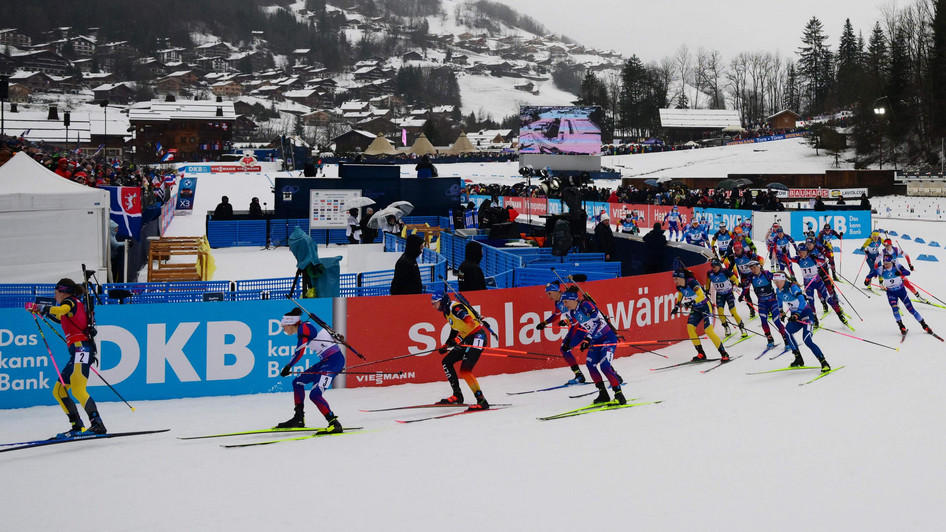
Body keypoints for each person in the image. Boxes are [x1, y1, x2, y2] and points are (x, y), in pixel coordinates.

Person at [25, 279, 106, 438]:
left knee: (78, 388)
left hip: (81, 348)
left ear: (63, 291)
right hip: (77, 350)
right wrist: (41, 312)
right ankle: (77, 426)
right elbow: (60, 317)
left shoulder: (71, 302)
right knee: (59, 390)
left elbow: (61, 311)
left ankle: (97, 424)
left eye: (56, 293)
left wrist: (38, 307)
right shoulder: (70, 305)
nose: (54, 296)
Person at [273, 308, 344, 433]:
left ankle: (334, 423)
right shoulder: (304, 327)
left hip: (334, 361)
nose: (283, 329)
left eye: (284, 327)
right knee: (297, 382)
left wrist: (288, 366)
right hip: (326, 361)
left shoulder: (304, 328)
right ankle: (299, 418)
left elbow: (300, 351)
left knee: (315, 394)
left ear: (290, 324)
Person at [560, 287, 626, 404]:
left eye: (566, 302)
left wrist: (587, 339)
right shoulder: (573, 312)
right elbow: (578, 327)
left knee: (605, 366)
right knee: (590, 365)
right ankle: (603, 394)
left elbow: (598, 322)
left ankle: (619, 395)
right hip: (595, 341)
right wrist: (569, 343)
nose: (564, 305)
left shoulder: (585, 305)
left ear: (573, 299)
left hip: (607, 338)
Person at [431, 291, 490, 409]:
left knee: (465, 371)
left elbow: (470, 322)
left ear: (442, 301)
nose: (433, 306)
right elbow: (454, 329)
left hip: (477, 336)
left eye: (435, 303)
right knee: (446, 362)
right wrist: (446, 344)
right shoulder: (446, 312)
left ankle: (482, 401)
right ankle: (457, 395)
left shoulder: (455, 308)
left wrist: (458, 340)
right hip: (468, 338)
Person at [773, 272, 831, 371]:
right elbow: (779, 300)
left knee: (807, 340)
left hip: (806, 315)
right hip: (796, 317)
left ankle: (824, 362)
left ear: (783, 280)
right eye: (774, 282)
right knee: (787, 332)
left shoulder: (793, 287)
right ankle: (798, 358)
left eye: (777, 282)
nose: (776, 284)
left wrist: (797, 314)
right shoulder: (779, 290)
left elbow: (802, 301)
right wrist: (781, 312)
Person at [671, 268, 731, 362]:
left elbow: (701, 296)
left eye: (675, 279)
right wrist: (676, 307)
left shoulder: (692, 282)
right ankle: (701, 353)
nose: (674, 281)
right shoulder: (679, 287)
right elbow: (680, 295)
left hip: (706, 307)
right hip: (696, 309)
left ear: (681, 277)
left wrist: (691, 302)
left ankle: (724, 353)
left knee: (708, 330)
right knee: (690, 327)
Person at [535, 281, 586, 385]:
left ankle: (612, 375)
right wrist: (545, 323)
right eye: (547, 294)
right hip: (576, 327)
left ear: (556, 291)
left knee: (595, 348)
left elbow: (576, 316)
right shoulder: (558, 302)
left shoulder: (566, 299)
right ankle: (579, 375)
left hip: (581, 327)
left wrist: (567, 322)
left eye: (549, 294)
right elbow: (557, 314)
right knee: (565, 349)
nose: (549, 297)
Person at [788, 244, 847, 327]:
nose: (799, 253)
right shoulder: (798, 259)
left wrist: (816, 258)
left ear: (806, 251)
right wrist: (785, 252)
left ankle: (840, 315)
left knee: (828, 299)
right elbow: (788, 259)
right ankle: (815, 320)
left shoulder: (812, 257)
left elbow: (823, 261)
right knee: (811, 302)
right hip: (808, 284)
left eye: (801, 252)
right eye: (798, 252)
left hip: (818, 282)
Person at [878, 254, 936, 337]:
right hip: (891, 290)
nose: (885, 265)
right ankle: (901, 326)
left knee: (911, 309)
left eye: (887, 263)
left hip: (900, 284)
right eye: (884, 263)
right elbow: (875, 268)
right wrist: (868, 279)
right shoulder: (883, 260)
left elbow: (907, 271)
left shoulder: (895, 256)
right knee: (895, 308)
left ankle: (924, 325)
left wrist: (904, 269)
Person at [748, 260, 791, 349]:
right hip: (762, 302)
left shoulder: (766, 274)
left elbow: (778, 279)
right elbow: (745, 287)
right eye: (751, 268)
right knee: (763, 320)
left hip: (772, 301)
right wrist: (741, 294)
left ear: (759, 266)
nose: (753, 270)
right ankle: (770, 339)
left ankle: (787, 340)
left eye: (755, 267)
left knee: (776, 321)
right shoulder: (751, 277)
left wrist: (787, 285)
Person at [705, 258, 747, 339]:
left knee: (733, 312)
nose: (714, 268)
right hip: (720, 295)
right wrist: (707, 291)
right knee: (720, 313)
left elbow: (735, 279)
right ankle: (726, 327)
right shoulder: (709, 273)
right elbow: (707, 282)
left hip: (728, 293)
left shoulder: (725, 271)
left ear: (719, 266)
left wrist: (735, 285)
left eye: (715, 266)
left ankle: (742, 328)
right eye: (712, 267)